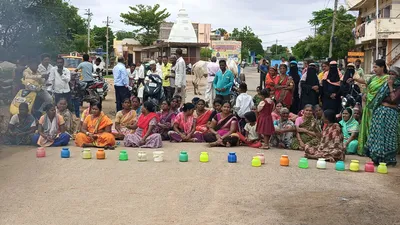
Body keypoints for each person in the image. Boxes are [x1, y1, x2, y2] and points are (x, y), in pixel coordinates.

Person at [364, 66, 400, 166]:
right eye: (390, 74)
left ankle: (389, 159)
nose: (391, 76)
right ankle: (376, 158)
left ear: (398, 76)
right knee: (376, 135)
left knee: (389, 136)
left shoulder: (397, 86)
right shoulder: (384, 85)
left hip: (391, 115)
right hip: (379, 114)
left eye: (393, 74)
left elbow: (394, 100)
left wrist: (390, 86)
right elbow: (379, 99)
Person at [358, 59, 389, 155]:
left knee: (376, 128)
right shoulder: (372, 78)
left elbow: (386, 93)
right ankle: (367, 149)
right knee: (367, 126)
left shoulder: (388, 78)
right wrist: (365, 95)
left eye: (376, 67)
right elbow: (367, 89)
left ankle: (377, 150)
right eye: (373, 67)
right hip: (369, 106)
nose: (374, 69)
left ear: (382, 67)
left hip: (379, 107)